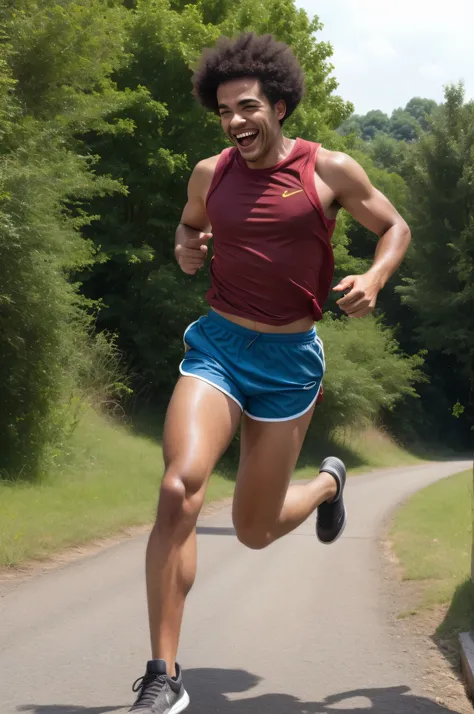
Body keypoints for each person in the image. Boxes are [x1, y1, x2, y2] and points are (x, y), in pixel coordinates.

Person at [129, 32, 411, 714]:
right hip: (219, 348)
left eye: (247, 106)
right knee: (178, 488)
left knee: (255, 531)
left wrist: (375, 275)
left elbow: (394, 225)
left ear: (279, 106)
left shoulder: (330, 170)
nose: (235, 122)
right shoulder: (210, 173)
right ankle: (163, 673)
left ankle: (325, 484)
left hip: (290, 363)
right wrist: (184, 247)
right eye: (224, 111)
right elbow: (190, 226)